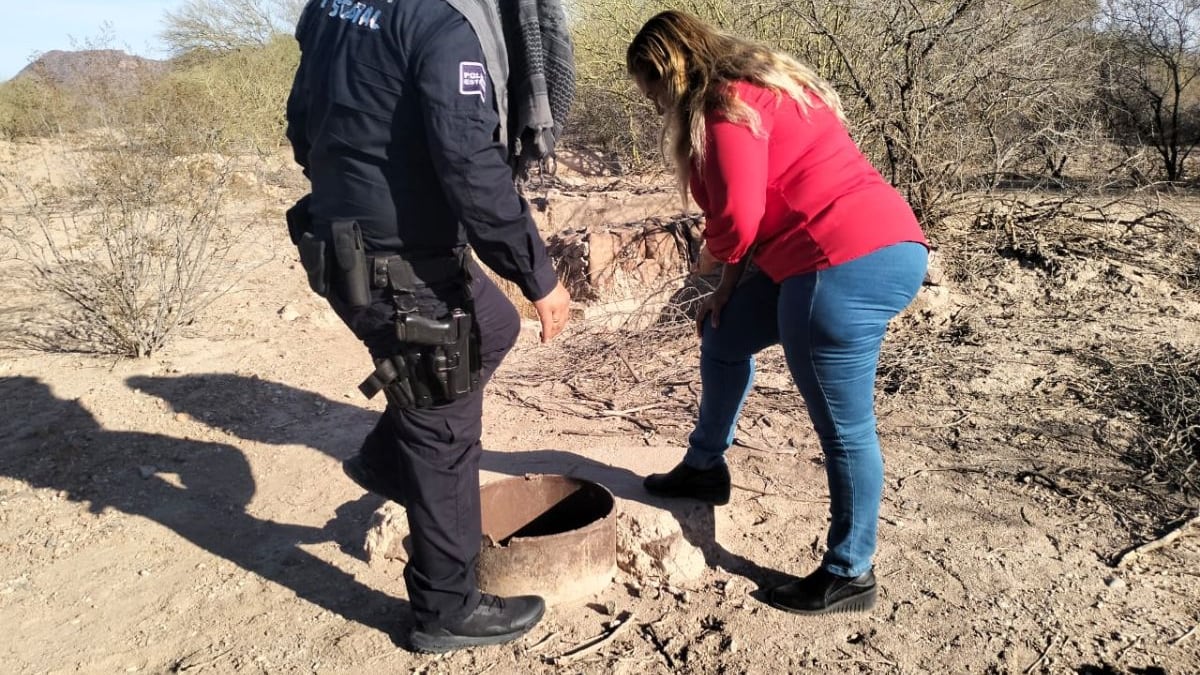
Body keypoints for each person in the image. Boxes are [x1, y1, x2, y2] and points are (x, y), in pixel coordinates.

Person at [285, 0, 572, 653]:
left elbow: (302, 121)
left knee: (490, 325)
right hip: (397, 263)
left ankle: (387, 457)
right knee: (444, 422)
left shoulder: (332, 7)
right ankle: (445, 609)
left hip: (340, 239)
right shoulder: (438, 28)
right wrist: (539, 275)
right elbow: (472, 167)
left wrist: (349, 191)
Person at [627, 11, 929, 615]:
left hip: (837, 263)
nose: (657, 107)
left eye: (654, 93)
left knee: (844, 430)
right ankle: (705, 466)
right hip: (875, 247)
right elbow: (758, 216)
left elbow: (737, 217)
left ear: (671, 71)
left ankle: (849, 571)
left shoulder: (723, 104)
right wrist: (725, 290)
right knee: (724, 331)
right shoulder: (768, 83)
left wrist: (711, 266)